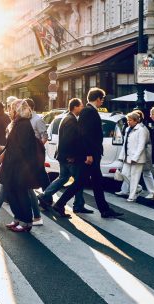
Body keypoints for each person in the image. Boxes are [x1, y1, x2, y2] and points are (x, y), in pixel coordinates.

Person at [51, 88, 123, 218]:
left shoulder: (88, 111)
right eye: (102, 99)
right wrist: (89, 154)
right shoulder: (89, 112)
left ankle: (104, 210)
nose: (102, 101)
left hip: (92, 153)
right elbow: (86, 134)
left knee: (95, 181)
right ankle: (60, 204)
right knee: (82, 181)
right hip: (91, 154)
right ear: (98, 99)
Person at [0, 99, 45, 232]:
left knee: (21, 194)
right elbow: (12, 145)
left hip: (20, 167)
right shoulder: (17, 123)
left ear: (18, 110)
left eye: (12, 108)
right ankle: (18, 218)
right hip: (12, 165)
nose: (10, 111)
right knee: (12, 194)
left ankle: (26, 222)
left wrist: (9, 161)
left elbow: (22, 148)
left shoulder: (24, 124)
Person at [39, 98, 85, 211]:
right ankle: (78, 205)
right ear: (75, 107)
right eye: (81, 106)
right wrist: (70, 156)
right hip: (68, 157)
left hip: (63, 155)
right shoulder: (71, 120)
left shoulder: (67, 117)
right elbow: (68, 140)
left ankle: (44, 196)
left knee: (63, 178)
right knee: (78, 180)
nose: (82, 107)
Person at [115, 111, 150, 202]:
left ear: (136, 121)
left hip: (137, 158)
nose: (128, 122)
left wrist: (135, 157)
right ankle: (138, 188)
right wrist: (122, 155)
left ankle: (132, 195)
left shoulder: (141, 130)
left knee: (135, 177)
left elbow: (141, 145)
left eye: (130, 120)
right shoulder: (127, 129)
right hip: (127, 157)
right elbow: (125, 144)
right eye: (127, 120)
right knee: (125, 174)